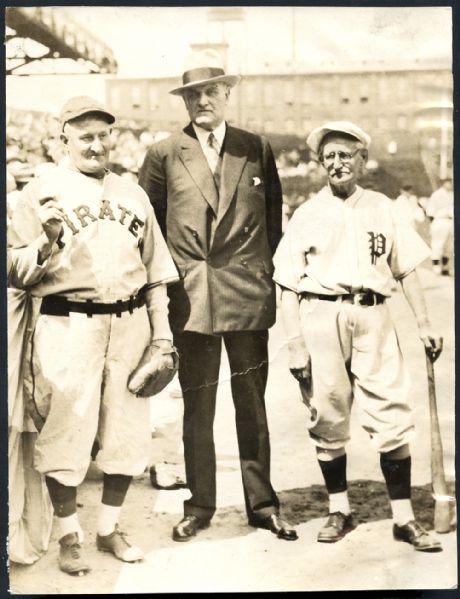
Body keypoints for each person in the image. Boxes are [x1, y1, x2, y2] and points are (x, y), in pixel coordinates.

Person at [8, 96, 179, 575]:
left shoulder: (132, 193)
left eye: (104, 134)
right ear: (63, 139)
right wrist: (45, 241)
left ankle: (108, 528)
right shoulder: (40, 190)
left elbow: (155, 274)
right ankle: (69, 535)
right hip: (67, 323)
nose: (97, 144)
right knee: (66, 432)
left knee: (126, 433)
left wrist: (162, 338)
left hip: (129, 324)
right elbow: (14, 272)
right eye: (85, 135)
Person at [139, 54, 297, 542]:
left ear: (228, 95)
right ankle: (200, 504)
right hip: (192, 298)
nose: (202, 101)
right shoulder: (164, 153)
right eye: (192, 95)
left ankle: (262, 504)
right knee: (197, 407)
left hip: (247, 294)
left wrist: (260, 274)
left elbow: (272, 222)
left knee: (251, 403)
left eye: (211, 92)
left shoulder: (255, 148)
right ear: (184, 101)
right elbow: (150, 230)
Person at [273, 121, 443, 552]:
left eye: (346, 155)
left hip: (374, 314)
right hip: (321, 315)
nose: (337, 163)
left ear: (362, 161)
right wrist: (294, 342)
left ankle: (403, 517)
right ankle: (339, 508)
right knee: (327, 414)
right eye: (329, 156)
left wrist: (424, 323)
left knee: (391, 410)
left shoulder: (383, 207)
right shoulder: (307, 213)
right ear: (320, 164)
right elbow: (288, 285)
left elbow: (407, 271)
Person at [425, 178, 454, 275]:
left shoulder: (452, 194)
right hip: (440, 220)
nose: (449, 185)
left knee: (448, 246)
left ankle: (445, 267)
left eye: (450, 183)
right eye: (447, 183)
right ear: (443, 184)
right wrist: (433, 223)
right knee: (438, 244)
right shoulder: (437, 194)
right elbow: (430, 211)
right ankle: (436, 266)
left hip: (450, 221)